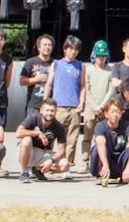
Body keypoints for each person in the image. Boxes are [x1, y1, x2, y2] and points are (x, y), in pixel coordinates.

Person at [43, 35, 84, 177]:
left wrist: (81, 102)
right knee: (52, 136)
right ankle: (46, 162)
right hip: (58, 106)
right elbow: (49, 83)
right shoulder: (56, 64)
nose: (73, 52)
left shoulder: (80, 65)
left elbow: (83, 86)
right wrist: (45, 102)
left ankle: (67, 166)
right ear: (65, 49)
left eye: (76, 50)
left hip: (74, 107)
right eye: (71, 49)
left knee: (72, 139)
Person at [16, 97, 69, 183]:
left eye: (52, 111)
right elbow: (18, 133)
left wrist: (51, 161)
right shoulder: (33, 118)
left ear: (56, 112)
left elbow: (62, 150)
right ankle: (24, 172)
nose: (49, 113)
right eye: (47, 110)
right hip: (28, 151)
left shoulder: (59, 127)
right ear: (41, 111)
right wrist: (38, 133)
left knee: (65, 165)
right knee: (27, 140)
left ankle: (38, 169)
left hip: (43, 153)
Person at [90, 98, 129, 186]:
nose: (115, 115)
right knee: (96, 148)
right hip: (107, 159)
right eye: (112, 112)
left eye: (117, 112)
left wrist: (128, 167)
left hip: (121, 162)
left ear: (121, 114)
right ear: (106, 114)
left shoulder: (128, 125)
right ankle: (100, 174)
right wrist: (105, 165)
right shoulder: (100, 126)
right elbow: (100, 143)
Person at [81, 40, 114, 166]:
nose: (101, 58)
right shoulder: (88, 70)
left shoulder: (110, 70)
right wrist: (94, 106)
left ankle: (100, 161)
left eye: (103, 56)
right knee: (87, 135)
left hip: (105, 107)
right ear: (94, 55)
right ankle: (85, 162)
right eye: (99, 55)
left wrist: (101, 106)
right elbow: (86, 89)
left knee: (102, 136)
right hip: (91, 107)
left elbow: (111, 90)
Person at [19, 34, 54, 118]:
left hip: (51, 105)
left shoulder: (56, 63)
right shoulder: (30, 62)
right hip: (34, 104)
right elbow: (22, 81)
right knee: (30, 130)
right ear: (39, 47)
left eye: (49, 45)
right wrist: (36, 79)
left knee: (48, 131)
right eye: (44, 45)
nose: (47, 47)